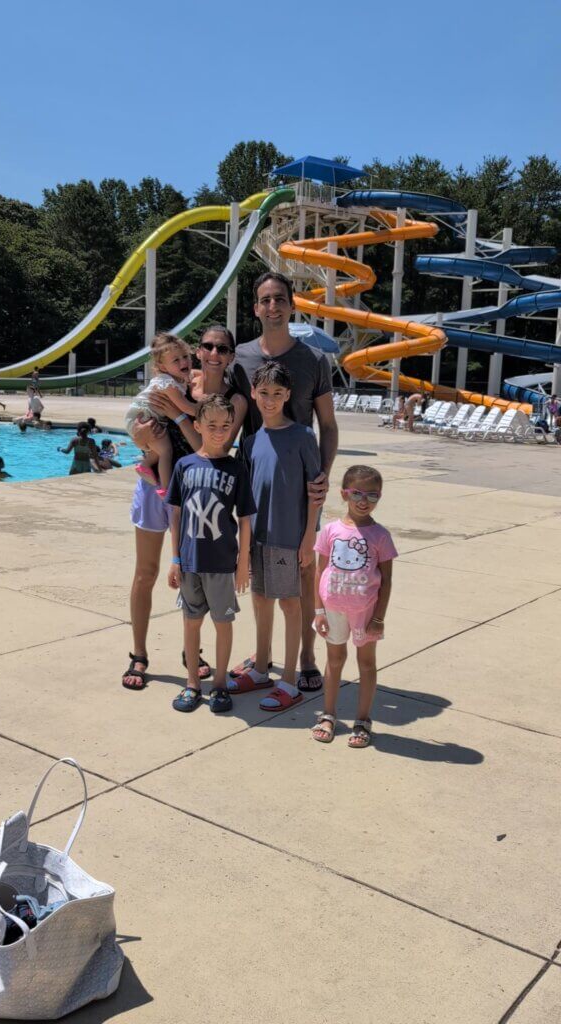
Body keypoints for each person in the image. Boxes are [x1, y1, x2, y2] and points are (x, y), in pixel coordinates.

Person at [122, 324, 248, 691]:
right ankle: (139, 653)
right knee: (146, 572)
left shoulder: (232, 399)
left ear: (231, 355)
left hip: (197, 492)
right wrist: (143, 438)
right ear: (198, 351)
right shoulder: (180, 381)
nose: (214, 353)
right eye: (207, 346)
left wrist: (179, 416)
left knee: (196, 576)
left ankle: (191, 653)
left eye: (222, 348)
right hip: (155, 486)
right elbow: (141, 426)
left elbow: (212, 448)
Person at [230, 272, 338, 692]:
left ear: (292, 306)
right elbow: (226, 411)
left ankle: (306, 656)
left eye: (280, 299)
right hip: (257, 481)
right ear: (255, 308)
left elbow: (328, 424)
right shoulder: (241, 358)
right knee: (259, 575)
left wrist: (322, 474)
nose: (272, 306)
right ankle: (263, 656)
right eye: (265, 299)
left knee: (303, 571)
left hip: (300, 484)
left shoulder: (313, 359)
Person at [230, 362, 321, 710]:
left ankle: (290, 681)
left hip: (288, 537)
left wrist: (308, 539)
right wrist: (243, 546)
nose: (270, 400)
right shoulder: (250, 442)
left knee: (289, 603)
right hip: (258, 537)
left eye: (277, 393)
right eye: (264, 393)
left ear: (288, 395)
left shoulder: (303, 436)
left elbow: (315, 493)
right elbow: (244, 499)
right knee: (260, 599)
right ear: (253, 393)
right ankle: (260, 670)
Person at [164, 394, 254, 713]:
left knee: (222, 622)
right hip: (189, 563)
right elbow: (175, 515)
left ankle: (218, 684)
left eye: (225, 426)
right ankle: (192, 683)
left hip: (222, 563)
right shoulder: (184, 465)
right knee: (191, 622)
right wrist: (174, 559)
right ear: (198, 425)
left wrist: (242, 563)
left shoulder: (236, 468)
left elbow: (245, 519)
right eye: (212, 424)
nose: (219, 431)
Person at [311, 465, 397, 748]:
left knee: (366, 663)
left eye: (372, 495)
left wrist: (379, 617)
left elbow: (386, 580)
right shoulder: (330, 530)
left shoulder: (380, 535)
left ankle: (362, 720)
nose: (364, 501)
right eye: (357, 493)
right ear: (344, 494)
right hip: (333, 608)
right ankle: (328, 714)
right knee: (334, 660)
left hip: (366, 611)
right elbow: (320, 571)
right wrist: (319, 611)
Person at [125, 333, 198, 496]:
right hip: (144, 417)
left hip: (145, 417)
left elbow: (196, 373)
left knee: (160, 448)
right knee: (166, 451)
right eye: (176, 360)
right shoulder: (168, 383)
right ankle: (165, 488)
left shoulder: (177, 377)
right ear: (163, 367)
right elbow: (187, 408)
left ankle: (145, 465)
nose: (183, 362)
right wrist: (205, 406)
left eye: (185, 356)